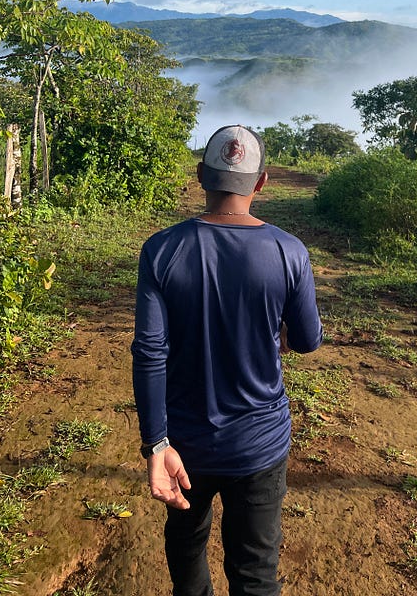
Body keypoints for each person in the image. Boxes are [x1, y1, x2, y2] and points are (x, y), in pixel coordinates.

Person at [131, 124, 323, 596]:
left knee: (186, 545)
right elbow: (307, 341)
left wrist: (156, 444)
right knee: (255, 571)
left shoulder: (162, 249)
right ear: (262, 182)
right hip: (260, 444)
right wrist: (281, 328)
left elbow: (150, 351)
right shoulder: (289, 251)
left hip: (185, 444)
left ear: (201, 175)